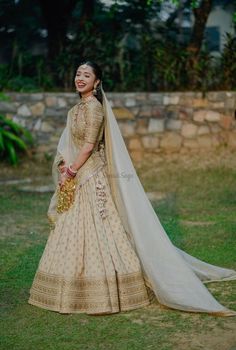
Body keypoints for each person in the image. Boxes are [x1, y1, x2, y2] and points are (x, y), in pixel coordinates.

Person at [28, 61, 236, 317]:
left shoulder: (94, 109)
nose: (80, 78)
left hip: (91, 176)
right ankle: (68, 288)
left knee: (102, 229)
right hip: (75, 173)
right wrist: (64, 165)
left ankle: (112, 288)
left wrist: (71, 171)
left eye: (86, 75)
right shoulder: (74, 110)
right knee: (71, 227)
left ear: (97, 83)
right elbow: (69, 143)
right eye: (78, 74)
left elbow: (89, 145)